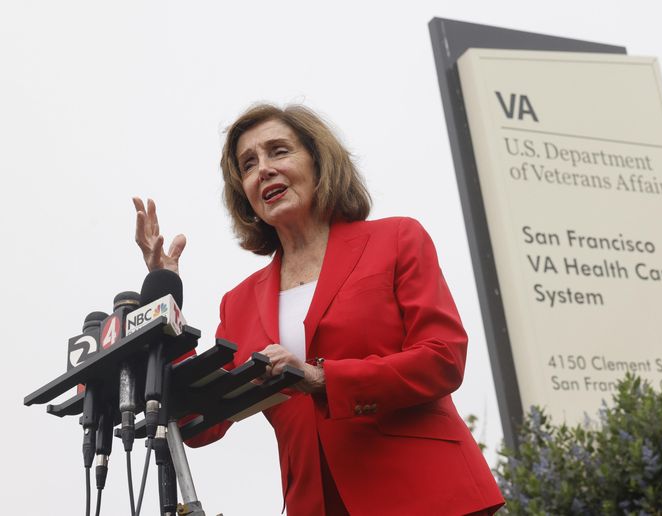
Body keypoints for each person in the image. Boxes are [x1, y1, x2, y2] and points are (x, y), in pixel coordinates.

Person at [133, 103, 504, 515]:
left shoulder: (397, 239)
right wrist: (165, 305)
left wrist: (322, 378)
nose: (263, 170)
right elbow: (198, 423)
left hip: (427, 493)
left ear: (318, 161)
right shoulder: (238, 303)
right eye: (248, 164)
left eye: (278, 151)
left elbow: (443, 359)